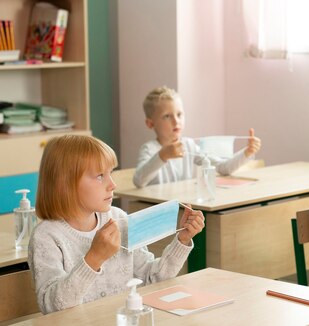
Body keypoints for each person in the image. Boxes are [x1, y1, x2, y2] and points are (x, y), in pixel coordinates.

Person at [28, 134, 205, 314]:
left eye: (110, 173)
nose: (112, 184)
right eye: (99, 176)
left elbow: (152, 278)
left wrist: (182, 240)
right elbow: (52, 307)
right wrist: (94, 259)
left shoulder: (118, 218)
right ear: (65, 184)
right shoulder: (47, 237)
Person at [133, 86, 262, 187]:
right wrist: (162, 156)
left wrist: (247, 152)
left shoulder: (189, 146)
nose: (176, 121)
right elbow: (139, 181)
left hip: (189, 212)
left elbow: (224, 168)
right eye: (167, 116)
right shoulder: (149, 149)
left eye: (179, 114)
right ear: (150, 123)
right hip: (161, 213)